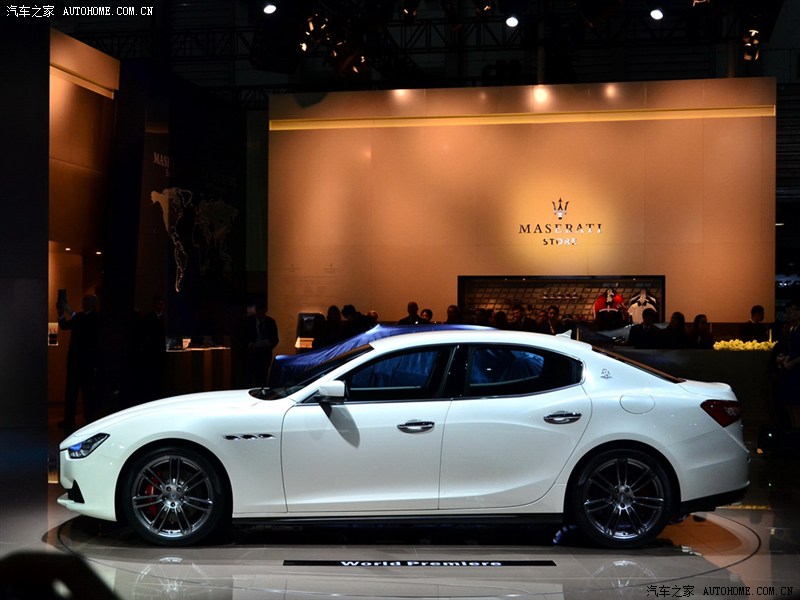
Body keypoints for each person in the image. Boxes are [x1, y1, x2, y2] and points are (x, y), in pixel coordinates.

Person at [57, 294, 102, 432]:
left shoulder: (96, 317)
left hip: (88, 361)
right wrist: (61, 314)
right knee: (71, 391)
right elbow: (65, 326)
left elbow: (85, 324)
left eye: (86, 300)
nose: (83, 302)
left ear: (93, 303)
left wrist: (69, 311)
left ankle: (89, 419)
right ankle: (69, 420)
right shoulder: (80, 316)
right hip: (75, 360)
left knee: (87, 391)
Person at [237, 302, 278, 387]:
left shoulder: (270, 322)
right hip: (250, 355)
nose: (261, 314)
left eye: (263, 312)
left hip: (264, 355)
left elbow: (275, 339)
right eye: (259, 312)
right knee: (249, 378)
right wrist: (250, 345)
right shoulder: (247, 322)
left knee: (262, 379)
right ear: (256, 311)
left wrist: (269, 345)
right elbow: (240, 337)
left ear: (265, 311)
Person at [775, 300, 800, 429]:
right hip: (789, 369)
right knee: (789, 404)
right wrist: (783, 358)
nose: (792, 314)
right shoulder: (790, 328)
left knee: (796, 404)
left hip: (796, 370)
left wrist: (791, 362)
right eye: (789, 312)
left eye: (795, 310)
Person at [138, 296, 167, 401]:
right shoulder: (148, 318)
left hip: (161, 350)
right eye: (157, 304)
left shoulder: (165, 318)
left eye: (161, 304)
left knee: (160, 374)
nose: (159, 306)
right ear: (154, 305)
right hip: (151, 350)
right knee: (151, 374)